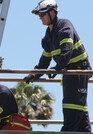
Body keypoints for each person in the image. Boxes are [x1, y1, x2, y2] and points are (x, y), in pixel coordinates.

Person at [23, 0, 92, 132]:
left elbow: (67, 51)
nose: (40, 18)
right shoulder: (49, 35)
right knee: (81, 113)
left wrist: (57, 68)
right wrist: (34, 75)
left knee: (72, 107)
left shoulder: (64, 26)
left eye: (42, 14)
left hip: (78, 70)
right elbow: (45, 59)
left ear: (52, 12)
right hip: (69, 72)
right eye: (39, 15)